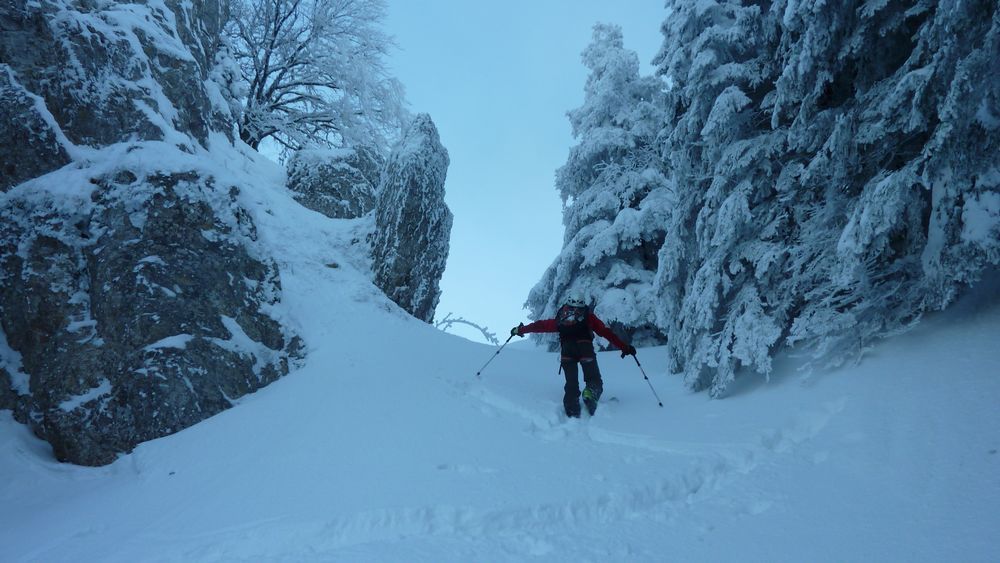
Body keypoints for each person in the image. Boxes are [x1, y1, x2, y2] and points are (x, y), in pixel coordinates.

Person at [511, 295, 636, 418]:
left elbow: (540, 326)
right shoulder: (588, 316)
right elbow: (605, 332)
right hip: (585, 348)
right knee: (594, 378)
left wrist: (520, 330)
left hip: (567, 351)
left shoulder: (562, 318)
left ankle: (571, 406)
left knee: (571, 383)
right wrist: (624, 347)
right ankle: (590, 393)